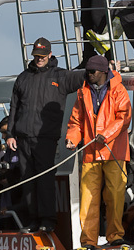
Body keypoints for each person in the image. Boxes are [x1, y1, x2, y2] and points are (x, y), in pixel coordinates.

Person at [6, 37, 87, 231]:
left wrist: (106, 67)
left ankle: (48, 220)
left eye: (42, 56)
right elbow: (14, 107)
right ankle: (33, 220)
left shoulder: (61, 76)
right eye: (36, 55)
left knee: (45, 180)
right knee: (27, 180)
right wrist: (10, 134)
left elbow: (87, 75)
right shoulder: (23, 77)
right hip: (23, 138)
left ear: (50, 54)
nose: (39, 59)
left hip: (46, 138)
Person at [65, 55, 132, 248]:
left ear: (103, 72)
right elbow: (76, 121)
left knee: (115, 195)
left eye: (92, 71)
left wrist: (107, 134)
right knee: (88, 198)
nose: (89, 74)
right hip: (90, 152)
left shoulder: (119, 90)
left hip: (114, 151)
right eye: (87, 71)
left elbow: (124, 117)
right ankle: (88, 240)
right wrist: (72, 138)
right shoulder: (82, 92)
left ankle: (115, 236)